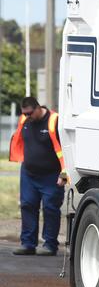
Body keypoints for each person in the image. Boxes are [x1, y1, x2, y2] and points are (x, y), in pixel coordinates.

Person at [8, 97, 66, 256]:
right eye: (24, 114)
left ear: (38, 108)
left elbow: (65, 151)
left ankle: (50, 244)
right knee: (27, 206)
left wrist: (64, 173)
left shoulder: (54, 121)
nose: (26, 117)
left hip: (51, 175)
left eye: (29, 113)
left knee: (50, 208)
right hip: (28, 173)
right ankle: (28, 243)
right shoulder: (24, 120)